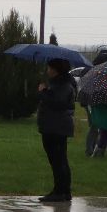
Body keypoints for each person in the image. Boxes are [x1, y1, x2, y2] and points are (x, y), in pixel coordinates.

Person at [36, 58, 76, 202]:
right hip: (54, 126)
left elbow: (57, 103)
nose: (47, 71)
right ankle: (62, 190)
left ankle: (61, 191)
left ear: (55, 69)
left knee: (58, 160)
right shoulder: (62, 83)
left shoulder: (63, 85)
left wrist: (43, 92)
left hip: (55, 127)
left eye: (49, 68)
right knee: (59, 160)